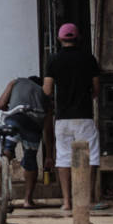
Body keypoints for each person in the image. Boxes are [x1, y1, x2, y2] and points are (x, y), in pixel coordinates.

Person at [41, 23, 100, 207]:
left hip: (62, 117)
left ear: (60, 39)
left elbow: (47, 90)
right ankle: (87, 199)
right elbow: (96, 89)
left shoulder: (53, 60)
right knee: (89, 157)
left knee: (64, 158)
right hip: (84, 116)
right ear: (78, 38)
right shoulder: (89, 59)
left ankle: (67, 201)